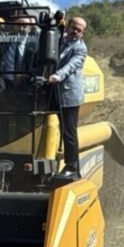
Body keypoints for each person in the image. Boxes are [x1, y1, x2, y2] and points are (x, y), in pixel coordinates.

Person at [48, 16, 88, 177]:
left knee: (69, 131)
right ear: (68, 27)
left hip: (68, 95)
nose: (75, 32)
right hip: (52, 91)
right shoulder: (59, 40)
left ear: (82, 34)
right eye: (73, 28)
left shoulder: (81, 49)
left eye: (79, 30)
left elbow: (71, 66)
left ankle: (72, 166)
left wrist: (57, 76)